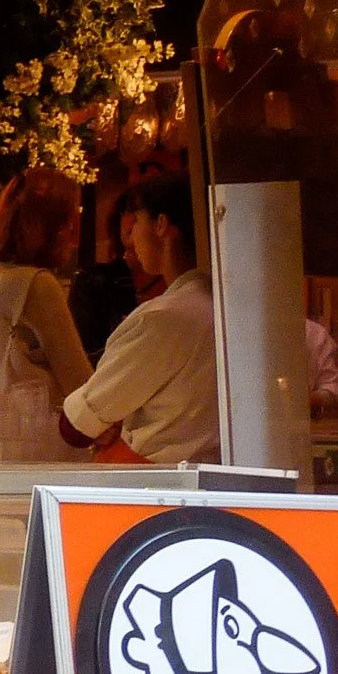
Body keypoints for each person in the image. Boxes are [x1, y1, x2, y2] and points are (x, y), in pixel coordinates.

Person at [59, 173, 219, 464]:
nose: (131, 236)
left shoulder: (161, 320)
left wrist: (103, 419)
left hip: (154, 489)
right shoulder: (220, 307)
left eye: (137, 222)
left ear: (161, 225)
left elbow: (75, 428)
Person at [0, 168, 92, 404]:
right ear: (48, 226)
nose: (71, 230)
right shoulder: (36, 284)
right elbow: (80, 385)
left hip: (4, 431)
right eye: (67, 219)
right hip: (45, 434)